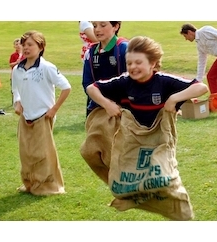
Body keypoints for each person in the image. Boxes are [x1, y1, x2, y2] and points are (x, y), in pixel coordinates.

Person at [81, 36, 208, 220]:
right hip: (132, 140)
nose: (133, 67)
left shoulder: (163, 81)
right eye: (129, 63)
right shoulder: (124, 82)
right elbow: (92, 88)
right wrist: (107, 104)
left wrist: (174, 99)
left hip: (159, 141)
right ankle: (132, 196)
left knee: (164, 181)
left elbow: (201, 88)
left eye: (138, 62)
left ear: (153, 63)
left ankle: (182, 215)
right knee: (89, 152)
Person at [12, 30, 71, 195]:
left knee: (43, 154)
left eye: (30, 44)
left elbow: (66, 87)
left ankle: (49, 187)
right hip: (25, 117)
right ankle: (29, 183)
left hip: (43, 116)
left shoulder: (47, 67)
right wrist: (17, 102)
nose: (26, 48)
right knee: (26, 152)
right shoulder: (18, 69)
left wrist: (54, 109)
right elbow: (15, 88)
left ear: (41, 46)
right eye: (24, 45)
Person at [82, 21, 128, 117]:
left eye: (103, 25)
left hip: (123, 109)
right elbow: (87, 83)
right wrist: (106, 104)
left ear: (115, 26)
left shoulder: (125, 49)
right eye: (94, 26)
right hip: (98, 108)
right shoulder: (90, 52)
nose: (97, 29)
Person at [9, 38, 25, 104]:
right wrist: (16, 62)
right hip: (15, 74)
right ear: (14, 46)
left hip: (23, 74)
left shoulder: (25, 54)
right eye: (16, 44)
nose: (18, 46)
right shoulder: (13, 55)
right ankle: (15, 102)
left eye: (19, 44)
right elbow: (10, 64)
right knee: (14, 88)